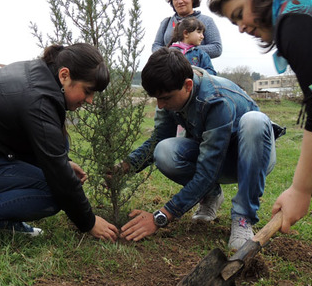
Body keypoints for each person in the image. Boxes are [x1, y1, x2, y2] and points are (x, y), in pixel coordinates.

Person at [208, 0, 312, 285]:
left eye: (239, 14)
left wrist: (301, 190)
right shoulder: (305, 5)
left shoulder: (294, 18)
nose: (241, 27)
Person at [0, 43, 119, 259]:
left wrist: (63, 162)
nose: (90, 100)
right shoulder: (40, 99)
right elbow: (61, 181)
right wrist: (88, 221)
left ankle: (2, 220)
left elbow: (23, 139)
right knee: (54, 193)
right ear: (65, 75)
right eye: (88, 90)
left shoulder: (40, 77)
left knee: (61, 149)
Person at [118, 48, 277, 250]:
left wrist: (162, 216)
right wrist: (124, 167)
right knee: (164, 151)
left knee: (254, 121)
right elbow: (159, 138)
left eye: (165, 98)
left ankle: (243, 218)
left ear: (188, 85)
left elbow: (209, 169)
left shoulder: (216, 99)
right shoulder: (172, 92)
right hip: (216, 157)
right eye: (156, 98)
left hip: (254, 157)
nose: (160, 105)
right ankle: (211, 195)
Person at [152, 0, 222, 58]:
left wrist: (186, 50)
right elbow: (156, 46)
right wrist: (169, 54)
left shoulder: (206, 21)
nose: (180, 1)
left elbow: (217, 48)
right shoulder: (166, 22)